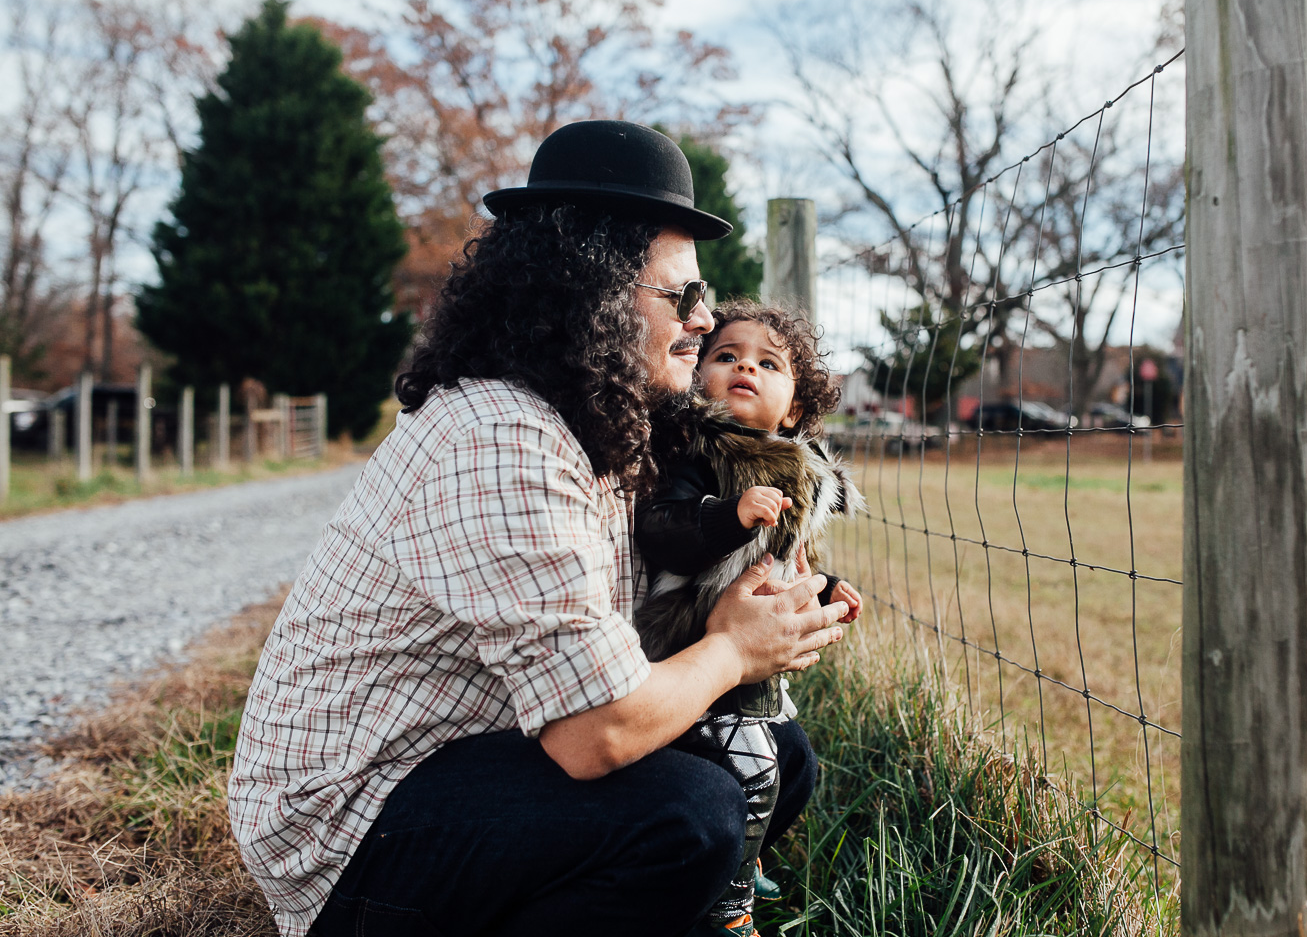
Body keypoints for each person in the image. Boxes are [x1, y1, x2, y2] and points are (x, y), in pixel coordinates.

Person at [226, 121, 851, 937]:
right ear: (585, 288)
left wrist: (778, 604)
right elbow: (597, 734)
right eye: (680, 295)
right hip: (348, 829)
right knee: (689, 813)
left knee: (774, 754)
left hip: (465, 755)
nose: (704, 321)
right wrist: (735, 649)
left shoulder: (596, 425)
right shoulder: (503, 436)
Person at [634, 299, 866, 937]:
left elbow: (786, 562)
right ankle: (727, 908)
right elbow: (659, 531)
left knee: (795, 762)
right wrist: (725, 515)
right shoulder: (694, 453)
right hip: (688, 644)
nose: (746, 368)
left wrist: (827, 590)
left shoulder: (794, 470)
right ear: (696, 374)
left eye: (769, 364)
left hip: (753, 665)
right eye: (727, 356)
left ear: (793, 408)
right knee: (753, 766)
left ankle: (746, 848)